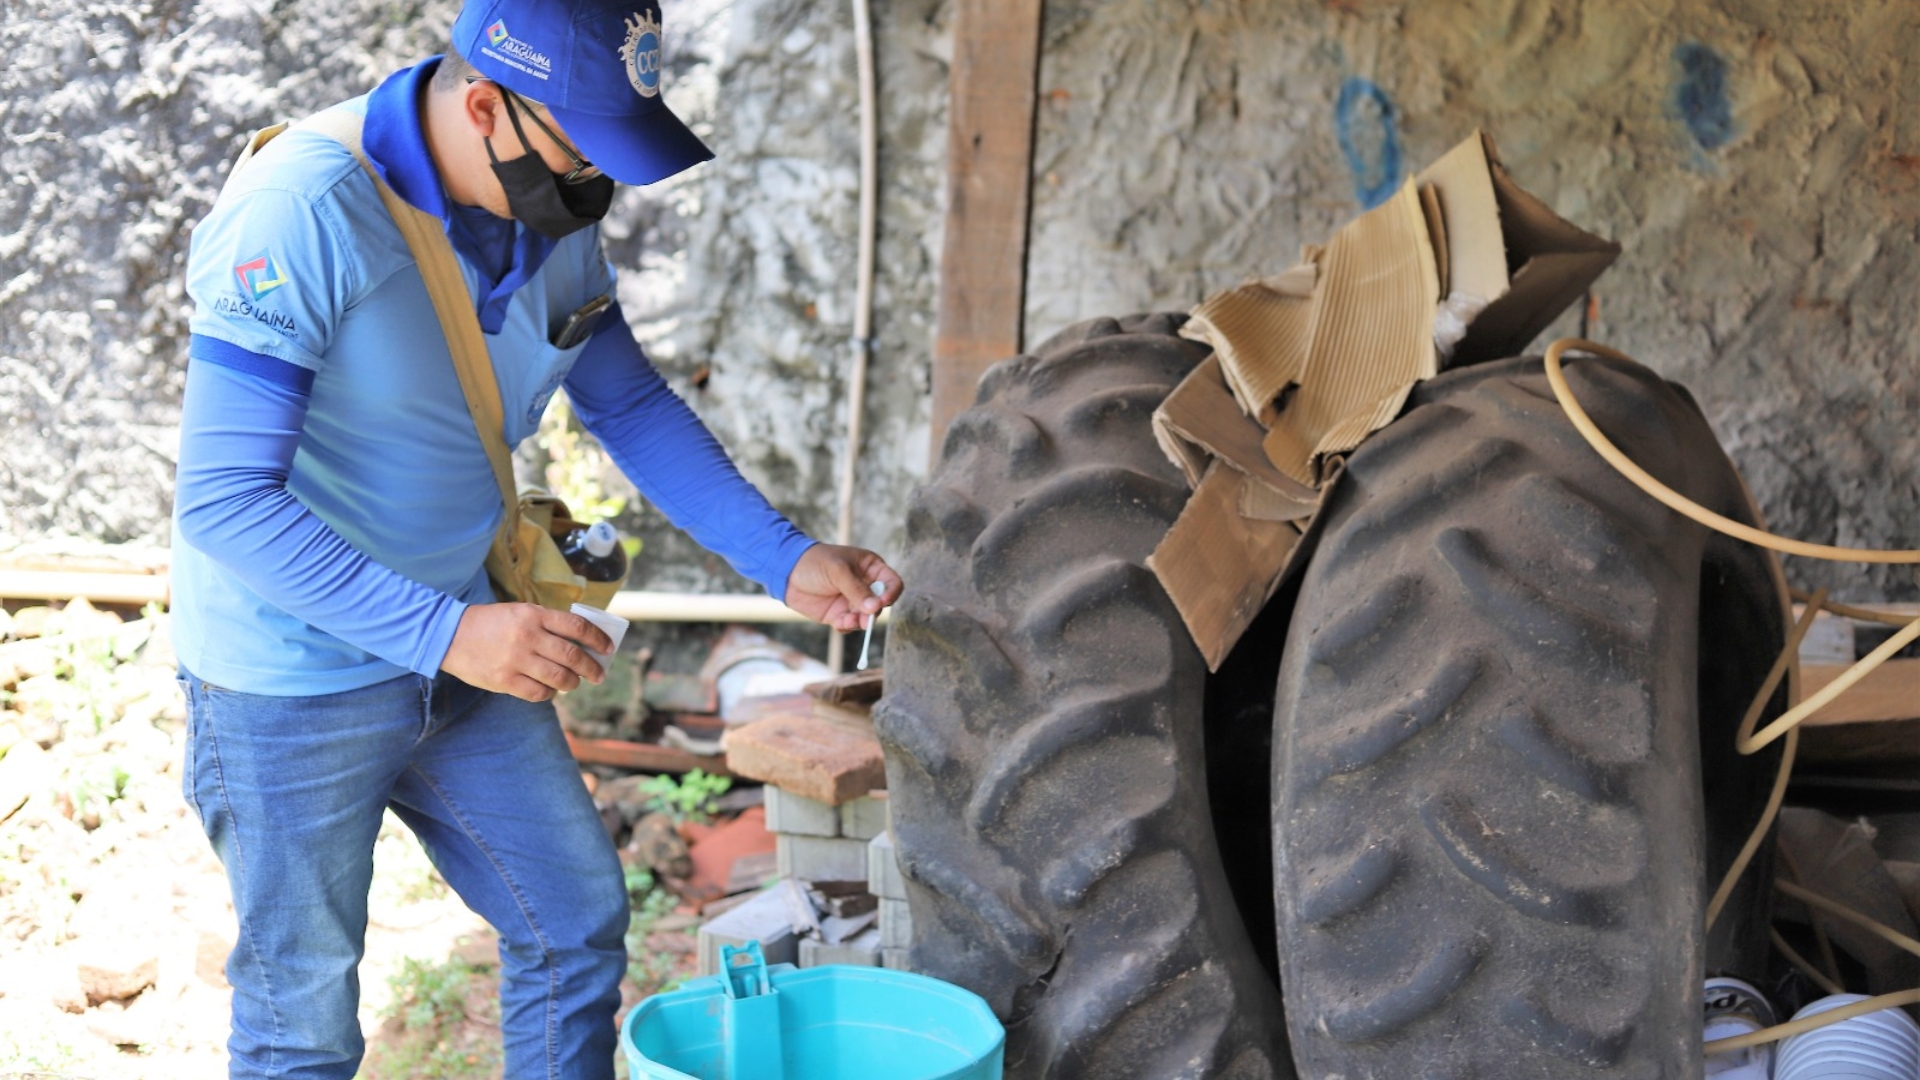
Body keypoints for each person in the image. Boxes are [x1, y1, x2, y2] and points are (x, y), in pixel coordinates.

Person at [169, 0, 900, 1075]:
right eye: (585, 154)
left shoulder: (549, 209)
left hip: (461, 639)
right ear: (484, 106)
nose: (602, 188)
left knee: (571, 918)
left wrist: (784, 556)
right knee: (301, 1016)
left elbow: (632, 405)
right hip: (294, 679)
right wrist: (449, 636)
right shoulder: (302, 213)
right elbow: (225, 498)